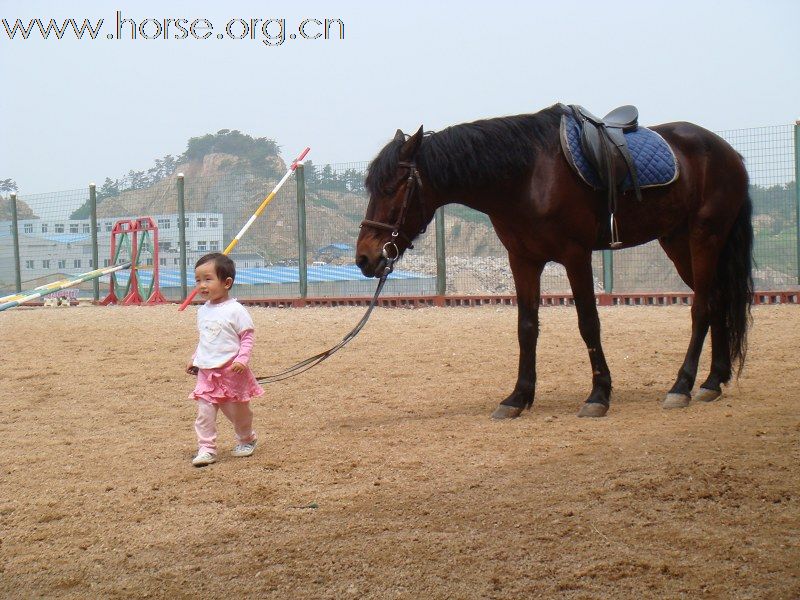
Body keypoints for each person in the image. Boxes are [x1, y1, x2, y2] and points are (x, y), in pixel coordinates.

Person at [186, 253, 263, 466]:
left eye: (208, 279)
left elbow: (247, 337)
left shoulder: (236, 310)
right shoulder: (202, 311)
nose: (202, 285)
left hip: (232, 373)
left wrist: (242, 359)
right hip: (207, 374)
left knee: (237, 413)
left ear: (227, 282)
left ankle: (247, 438)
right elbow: (206, 339)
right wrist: (195, 358)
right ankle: (206, 448)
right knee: (204, 412)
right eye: (198, 280)